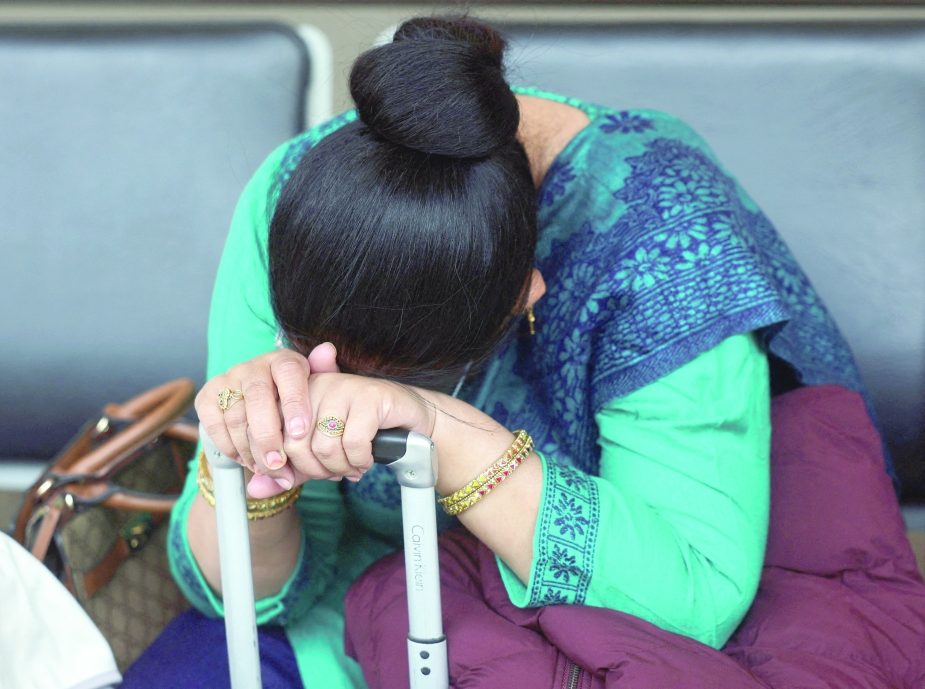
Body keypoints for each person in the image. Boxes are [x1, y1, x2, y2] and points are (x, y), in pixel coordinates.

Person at [126, 17, 889, 689]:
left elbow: (693, 601)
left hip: (605, 620)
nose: (334, 382)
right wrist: (257, 468)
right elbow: (238, 595)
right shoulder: (288, 198)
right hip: (353, 609)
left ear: (524, 298)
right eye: (308, 349)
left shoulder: (662, 239)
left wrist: (436, 432)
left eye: (405, 365)